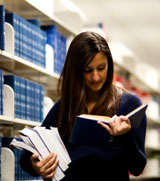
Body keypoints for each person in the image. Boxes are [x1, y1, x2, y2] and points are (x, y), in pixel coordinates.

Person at [20, 31, 147, 181]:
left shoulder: (129, 104)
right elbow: (29, 154)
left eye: (101, 68)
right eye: (88, 70)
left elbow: (137, 167)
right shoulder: (64, 106)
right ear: (76, 71)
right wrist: (35, 165)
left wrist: (125, 136)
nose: (96, 77)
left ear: (110, 65)